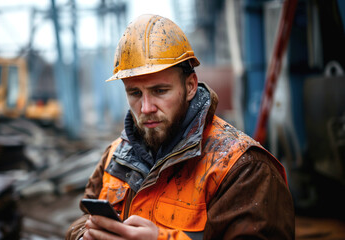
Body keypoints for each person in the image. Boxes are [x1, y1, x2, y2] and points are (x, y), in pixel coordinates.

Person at [66, 14, 294, 240]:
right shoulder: (114, 157)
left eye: (159, 91)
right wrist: (84, 236)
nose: (146, 108)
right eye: (135, 93)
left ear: (191, 86)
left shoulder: (243, 169)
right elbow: (84, 220)